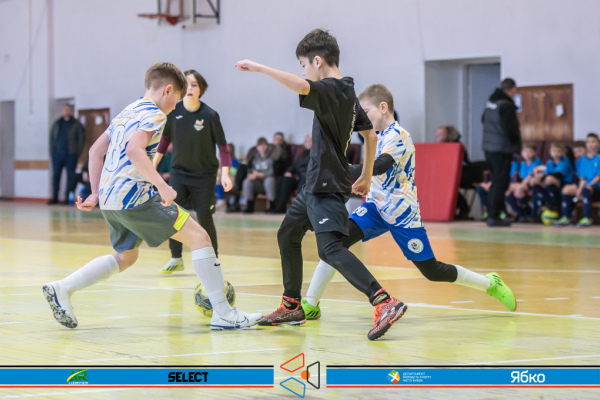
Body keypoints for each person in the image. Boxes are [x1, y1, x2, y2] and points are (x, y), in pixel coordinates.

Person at [42, 62, 262, 330]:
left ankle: (63, 288)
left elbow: (95, 151)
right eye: (176, 100)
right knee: (200, 238)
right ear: (168, 90)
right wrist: (162, 186)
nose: (175, 107)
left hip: (111, 199)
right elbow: (134, 150)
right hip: (135, 197)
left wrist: (96, 192)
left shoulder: (127, 111)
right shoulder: (156, 114)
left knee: (126, 257)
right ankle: (224, 314)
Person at [235, 29, 405, 341]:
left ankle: (384, 301)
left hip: (325, 183)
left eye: (303, 64)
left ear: (317, 61)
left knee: (331, 249)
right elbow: (369, 135)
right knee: (288, 234)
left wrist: (260, 68)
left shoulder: (329, 88)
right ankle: (291, 306)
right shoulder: (347, 91)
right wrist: (366, 175)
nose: (303, 71)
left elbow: (302, 86)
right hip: (316, 182)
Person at [302, 84, 516, 320]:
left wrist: (341, 168)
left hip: (402, 213)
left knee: (432, 271)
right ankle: (311, 303)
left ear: (383, 107)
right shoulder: (373, 137)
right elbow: (374, 173)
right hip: (374, 208)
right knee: (333, 245)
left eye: (365, 112)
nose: (361, 118)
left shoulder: (399, 135)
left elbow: (380, 165)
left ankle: (490, 283)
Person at [152, 69, 233, 273]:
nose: (190, 88)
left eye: (194, 85)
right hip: (179, 173)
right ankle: (176, 257)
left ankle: (213, 260)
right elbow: (164, 141)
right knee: (173, 214)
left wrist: (225, 173)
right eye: (186, 84)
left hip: (204, 175)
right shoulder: (173, 112)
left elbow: (223, 147)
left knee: (204, 215)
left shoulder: (210, 115)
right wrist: (152, 165)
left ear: (201, 89)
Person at [482, 78, 522, 227]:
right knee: (501, 183)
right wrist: (516, 143)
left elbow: (483, 120)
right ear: (512, 89)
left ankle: (492, 214)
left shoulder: (491, 103)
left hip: (488, 148)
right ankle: (494, 216)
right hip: (501, 149)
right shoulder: (506, 105)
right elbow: (511, 130)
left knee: (495, 181)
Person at [557, 133, 600, 227]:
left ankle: (587, 218)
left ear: (598, 143)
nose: (591, 144)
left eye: (593, 141)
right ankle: (567, 217)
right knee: (566, 190)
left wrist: (587, 186)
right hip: (586, 185)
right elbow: (582, 178)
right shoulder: (583, 159)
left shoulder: (598, 158)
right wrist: (579, 188)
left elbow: (598, 177)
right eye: (588, 142)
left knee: (586, 190)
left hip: (597, 185)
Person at [48, 104, 85, 205]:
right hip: (57, 155)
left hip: (71, 155)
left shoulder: (76, 124)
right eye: (65, 109)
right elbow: (51, 137)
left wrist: (77, 152)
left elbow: (81, 139)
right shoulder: (57, 123)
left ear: (71, 111)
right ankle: (54, 197)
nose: (66, 111)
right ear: (62, 111)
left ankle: (68, 199)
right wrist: (52, 152)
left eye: (68, 110)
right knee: (56, 176)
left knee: (70, 178)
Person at [435, 125, 473, 220]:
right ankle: (452, 209)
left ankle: (463, 207)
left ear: (448, 134)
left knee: (447, 185)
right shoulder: (439, 146)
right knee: (440, 184)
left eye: (441, 134)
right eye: (438, 135)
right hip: (449, 175)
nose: (439, 137)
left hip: (463, 173)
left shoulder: (457, 145)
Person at [531, 142, 574, 221]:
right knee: (534, 181)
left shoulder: (565, 162)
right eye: (554, 151)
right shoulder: (550, 163)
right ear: (550, 152)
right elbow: (541, 171)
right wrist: (538, 176)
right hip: (551, 184)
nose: (556, 153)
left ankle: (554, 203)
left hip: (564, 184)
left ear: (563, 152)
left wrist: (542, 176)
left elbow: (558, 175)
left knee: (549, 179)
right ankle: (547, 201)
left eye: (559, 151)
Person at [275, 134, 312, 213]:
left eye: (310, 141)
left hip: (304, 176)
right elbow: (294, 165)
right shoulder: (302, 154)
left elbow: (310, 168)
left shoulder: (315, 155)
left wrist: (297, 174)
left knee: (289, 180)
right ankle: (279, 204)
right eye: (307, 141)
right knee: (282, 179)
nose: (308, 143)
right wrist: (288, 172)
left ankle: (284, 206)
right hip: (296, 175)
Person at [504, 143, 541, 222]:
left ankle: (526, 214)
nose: (527, 154)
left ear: (535, 152)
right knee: (506, 190)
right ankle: (519, 212)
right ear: (522, 153)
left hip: (533, 184)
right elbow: (519, 176)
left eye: (530, 151)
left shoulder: (537, 162)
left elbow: (534, 174)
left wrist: (522, 183)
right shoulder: (523, 164)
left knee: (519, 189)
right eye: (525, 151)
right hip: (522, 183)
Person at [242, 137, 277, 213]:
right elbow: (252, 170)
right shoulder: (254, 158)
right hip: (258, 181)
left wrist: (258, 174)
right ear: (257, 147)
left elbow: (272, 171)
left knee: (269, 180)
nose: (262, 147)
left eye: (264, 145)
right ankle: (249, 205)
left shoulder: (271, 156)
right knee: (247, 182)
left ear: (266, 146)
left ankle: (272, 205)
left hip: (268, 178)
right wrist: (252, 175)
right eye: (260, 146)